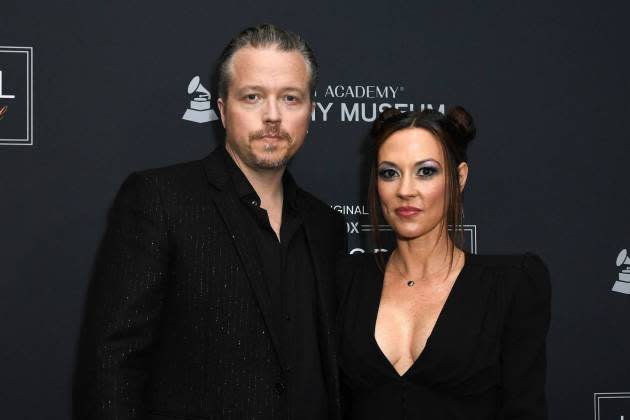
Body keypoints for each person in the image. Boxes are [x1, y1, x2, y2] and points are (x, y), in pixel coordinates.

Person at [74, 24, 346, 420]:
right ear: (221, 108)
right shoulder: (161, 200)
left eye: (290, 98)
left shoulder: (325, 225)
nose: (272, 116)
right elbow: (112, 363)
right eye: (252, 97)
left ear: (311, 110)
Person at [336, 107, 551, 419]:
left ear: (459, 177)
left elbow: (525, 410)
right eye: (389, 173)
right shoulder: (344, 281)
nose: (405, 190)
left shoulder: (511, 284)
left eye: (426, 171)